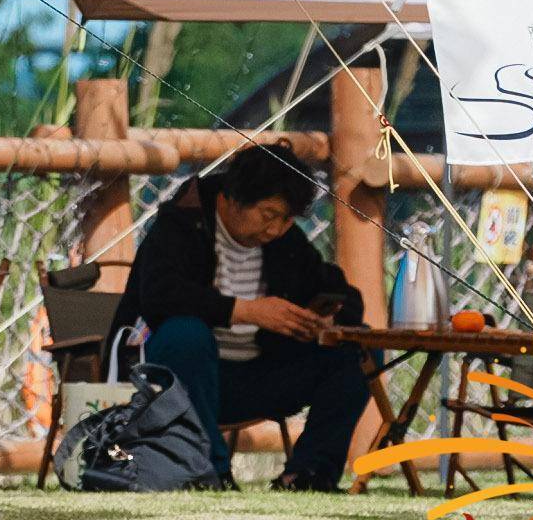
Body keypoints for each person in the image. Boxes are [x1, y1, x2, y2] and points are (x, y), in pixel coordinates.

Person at [116, 144, 371, 491]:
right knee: (185, 334)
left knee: (356, 349)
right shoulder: (181, 223)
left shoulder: (284, 241)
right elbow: (160, 295)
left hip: (258, 377)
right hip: (180, 380)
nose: (275, 229)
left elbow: (342, 293)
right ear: (232, 198)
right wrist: (247, 311)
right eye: (268, 215)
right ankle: (208, 472)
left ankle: (308, 475)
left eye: (286, 219)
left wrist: (324, 319)